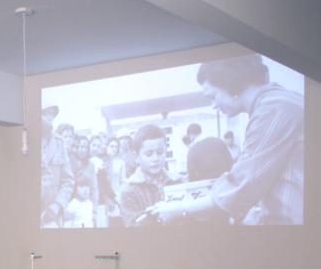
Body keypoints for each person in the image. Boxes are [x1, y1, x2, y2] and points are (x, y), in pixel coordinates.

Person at [148, 54, 304, 225]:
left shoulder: (273, 109)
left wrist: (179, 208)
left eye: (213, 96)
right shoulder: (278, 101)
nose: (213, 105)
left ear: (231, 84)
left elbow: (241, 184)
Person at [119, 124, 178, 226]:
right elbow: (132, 227)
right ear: (136, 157)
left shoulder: (178, 182)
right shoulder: (128, 190)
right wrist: (161, 219)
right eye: (149, 154)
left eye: (160, 152)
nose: (155, 159)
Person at [40, 105, 74, 228]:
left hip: (51, 214)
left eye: (52, 113)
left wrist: (57, 206)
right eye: (45, 113)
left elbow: (68, 181)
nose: (49, 117)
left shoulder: (59, 143)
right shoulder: (26, 139)